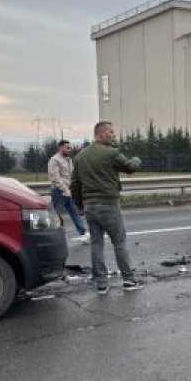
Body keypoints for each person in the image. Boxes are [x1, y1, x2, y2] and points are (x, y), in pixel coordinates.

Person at [70, 121, 144, 294]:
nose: (114, 135)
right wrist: (137, 159)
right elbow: (131, 168)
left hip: (90, 207)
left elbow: (74, 184)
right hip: (108, 204)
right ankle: (128, 280)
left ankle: (101, 283)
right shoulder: (112, 153)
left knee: (96, 244)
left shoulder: (80, 157)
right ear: (101, 134)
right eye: (111, 132)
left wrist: (79, 205)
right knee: (119, 242)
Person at [48, 140, 90, 244]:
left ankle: (84, 233)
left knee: (74, 212)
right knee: (57, 214)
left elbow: (71, 174)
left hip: (69, 190)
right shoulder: (54, 160)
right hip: (59, 191)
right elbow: (55, 177)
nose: (69, 149)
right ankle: (56, 236)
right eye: (67, 147)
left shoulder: (68, 159)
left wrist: (73, 188)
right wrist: (64, 189)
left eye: (69, 147)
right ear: (60, 148)